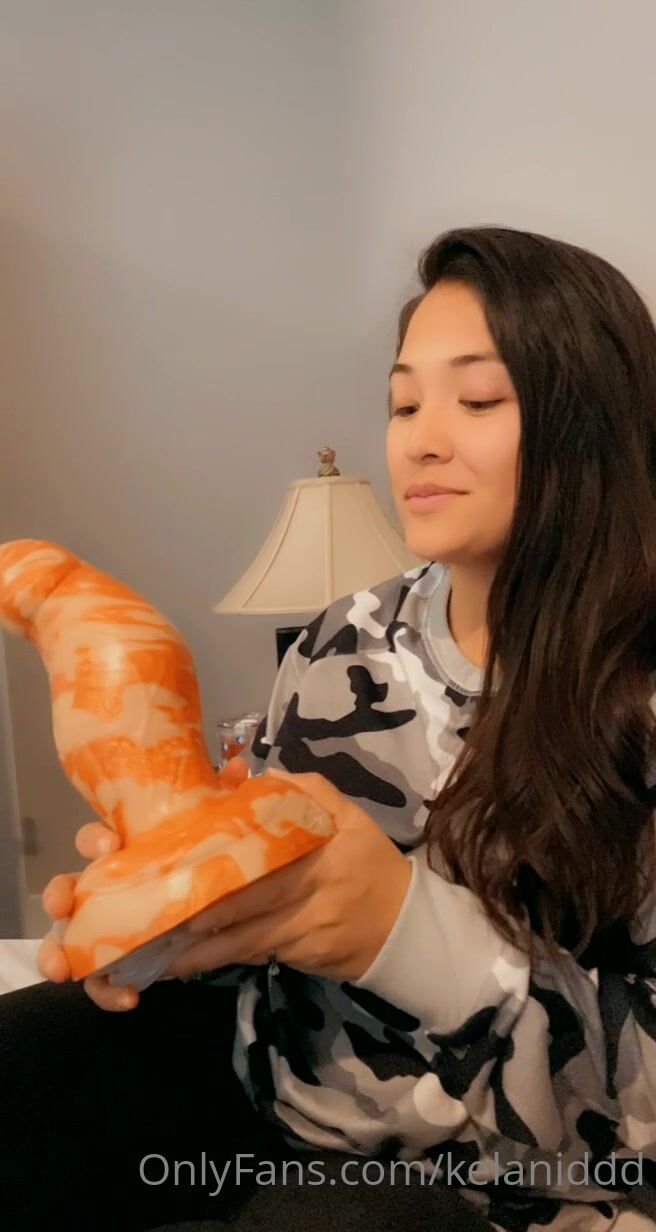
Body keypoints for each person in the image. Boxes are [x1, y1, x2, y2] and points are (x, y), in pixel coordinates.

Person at [2, 225, 656, 1232]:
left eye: (479, 399)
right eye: (403, 403)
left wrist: (406, 931)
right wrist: (183, 916)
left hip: (518, 1185)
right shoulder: (344, 639)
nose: (419, 439)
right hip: (274, 1109)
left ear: (591, 422)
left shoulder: (633, 701)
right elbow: (262, 903)